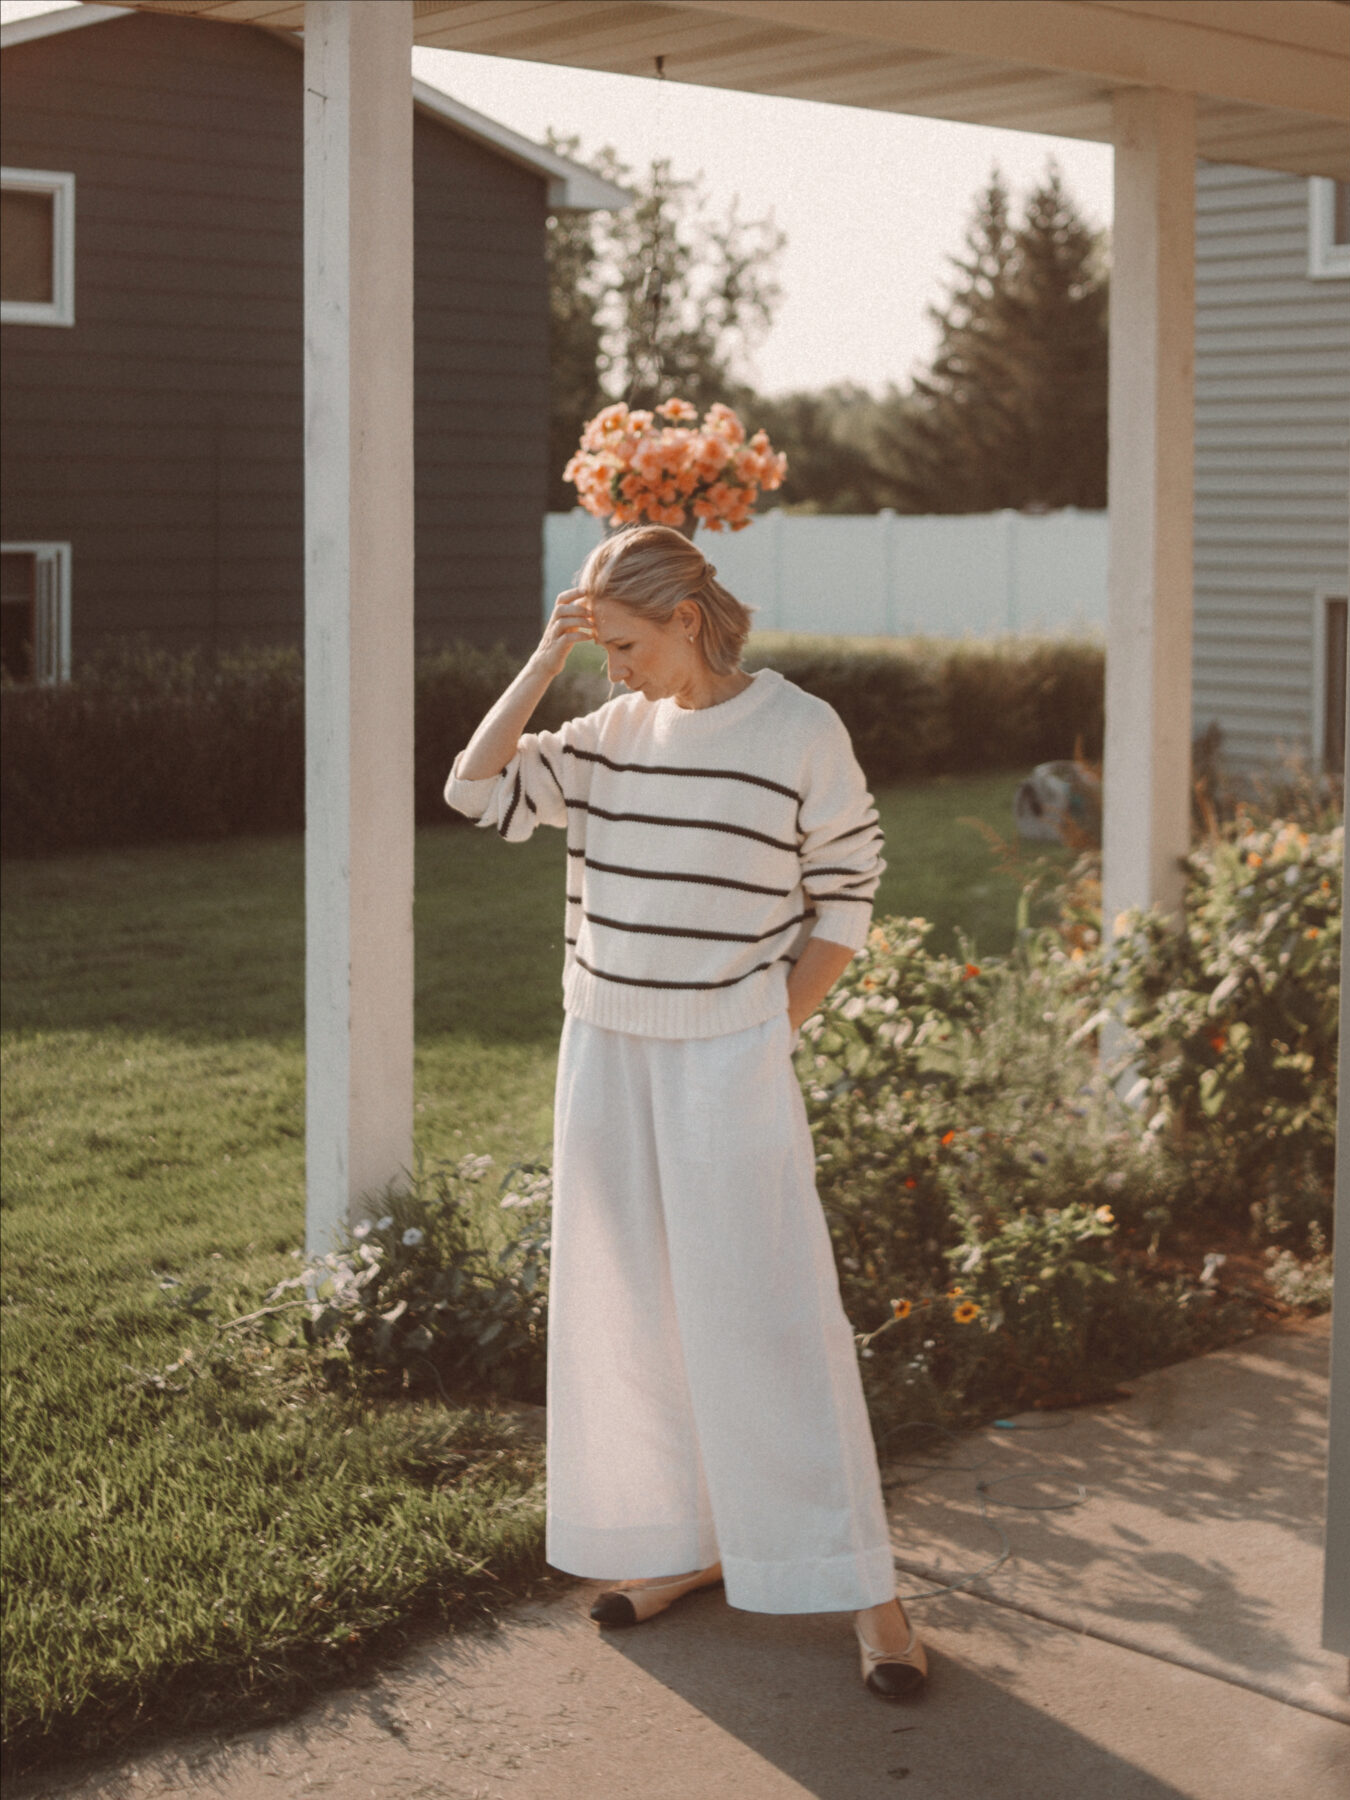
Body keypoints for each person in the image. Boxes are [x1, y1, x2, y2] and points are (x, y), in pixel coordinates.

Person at [444, 523, 927, 1701]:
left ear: (688, 622)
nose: (613, 668)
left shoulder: (799, 731)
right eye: (597, 646)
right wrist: (545, 662)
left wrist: (773, 1027)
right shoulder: (608, 731)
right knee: (634, 1312)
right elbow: (473, 789)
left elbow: (848, 889)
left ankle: (875, 1598)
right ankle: (685, 1548)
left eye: (624, 643)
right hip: (606, 1048)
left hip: (728, 1058)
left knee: (770, 1317)